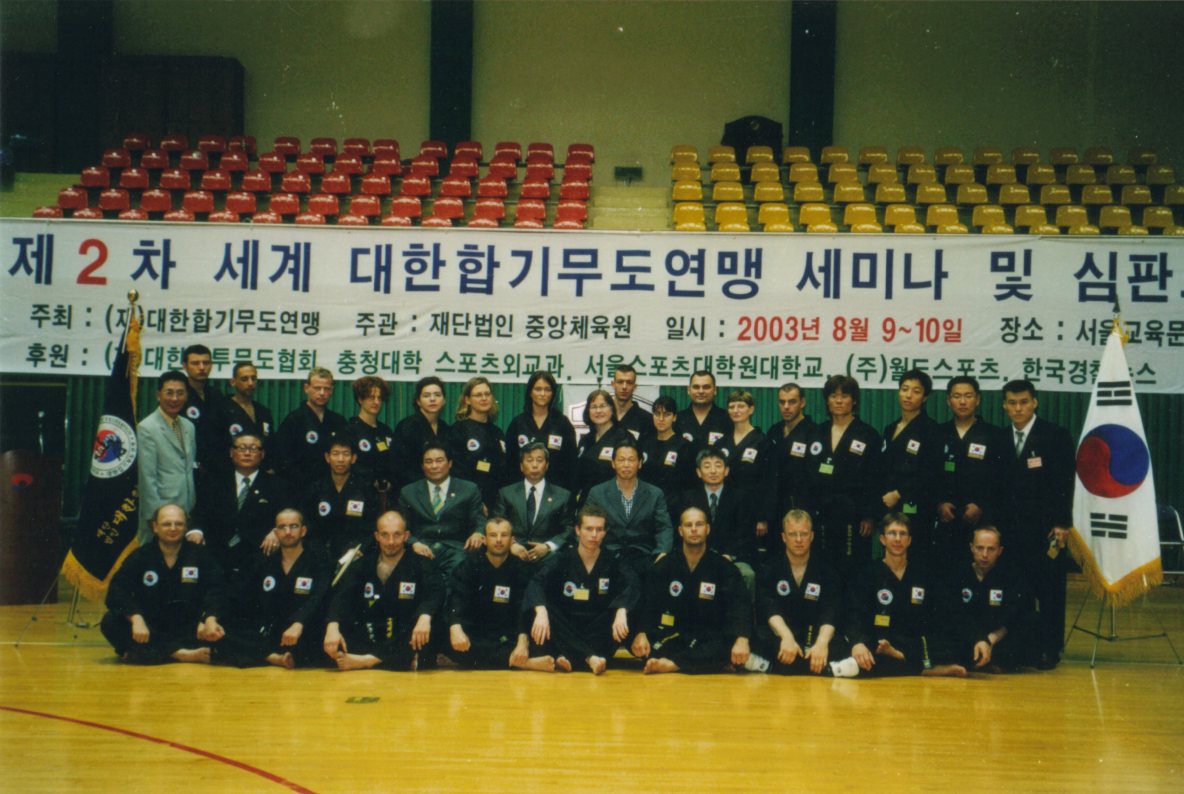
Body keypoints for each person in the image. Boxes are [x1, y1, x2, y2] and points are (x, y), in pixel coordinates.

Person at [999, 379, 1076, 670]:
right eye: (1012, 403)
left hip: (1046, 531)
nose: (1018, 408)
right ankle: (1024, 648)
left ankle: (1050, 649)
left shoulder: (1056, 435)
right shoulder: (1000, 438)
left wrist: (1062, 523)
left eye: (1024, 402)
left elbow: (1066, 483)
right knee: (1018, 591)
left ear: (1035, 403)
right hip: (1011, 531)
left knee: (1050, 591)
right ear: (1005, 406)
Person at [831, 513, 965, 678]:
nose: (897, 539)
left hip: (913, 643)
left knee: (956, 644)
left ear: (909, 540)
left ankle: (899, 657)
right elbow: (855, 613)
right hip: (881, 641)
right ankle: (922, 668)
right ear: (882, 539)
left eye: (902, 534)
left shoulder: (923, 574)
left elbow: (944, 613)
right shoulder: (867, 574)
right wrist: (858, 643)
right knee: (853, 648)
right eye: (892, 533)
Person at [630, 506, 753, 674]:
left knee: (728, 645)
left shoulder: (724, 568)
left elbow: (740, 605)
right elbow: (648, 603)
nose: (694, 529)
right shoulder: (664, 566)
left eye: (699, 524)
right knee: (642, 642)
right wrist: (641, 632)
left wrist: (742, 639)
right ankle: (696, 663)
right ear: (680, 531)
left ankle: (674, 664)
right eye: (688, 525)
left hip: (709, 637)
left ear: (707, 529)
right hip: (674, 635)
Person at [100, 504, 226, 664]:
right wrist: (136, 619)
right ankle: (180, 654)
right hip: (152, 627)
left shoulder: (200, 555)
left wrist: (210, 619)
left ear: (186, 526)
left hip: (190, 627)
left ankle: (149, 653)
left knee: (226, 626)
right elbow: (117, 591)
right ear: (155, 527)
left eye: (179, 524)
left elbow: (216, 589)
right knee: (110, 621)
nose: (173, 528)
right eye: (167, 524)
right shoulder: (141, 556)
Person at [523, 505, 640, 674]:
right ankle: (589, 658)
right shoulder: (562, 558)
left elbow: (632, 582)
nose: (594, 535)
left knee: (619, 613)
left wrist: (622, 610)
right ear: (577, 530)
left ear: (605, 532)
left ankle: (568, 657)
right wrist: (541, 611)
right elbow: (537, 582)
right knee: (545, 610)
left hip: (597, 630)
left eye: (599, 529)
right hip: (568, 625)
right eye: (589, 529)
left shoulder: (613, 560)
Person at [322, 510, 444, 671]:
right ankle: (395, 660)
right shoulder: (362, 564)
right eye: (385, 535)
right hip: (372, 633)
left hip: (405, 633)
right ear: (377, 536)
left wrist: (425, 617)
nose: (391, 542)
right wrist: (332, 626)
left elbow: (435, 593)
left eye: (397, 535)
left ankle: (370, 660)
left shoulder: (421, 563)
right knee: (333, 629)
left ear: (406, 536)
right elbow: (341, 596)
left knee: (428, 625)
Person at [218, 508, 330, 669]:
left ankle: (264, 654)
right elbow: (241, 593)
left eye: (293, 526)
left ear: (303, 531)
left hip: (303, 628)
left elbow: (320, 596)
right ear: (276, 533)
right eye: (282, 527)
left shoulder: (317, 561)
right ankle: (272, 657)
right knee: (223, 629)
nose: (288, 532)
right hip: (274, 631)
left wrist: (299, 622)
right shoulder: (266, 561)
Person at [445, 516, 547, 670]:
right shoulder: (470, 565)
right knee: (450, 639)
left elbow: (523, 609)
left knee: (539, 639)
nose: (498, 540)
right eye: (493, 535)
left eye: (504, 535)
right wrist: (456, 628)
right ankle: (523, 662)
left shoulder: (521, 569)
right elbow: (457, 598)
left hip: (509, 634)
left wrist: (522, 642)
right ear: (484, 540)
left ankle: (512, 658)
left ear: (512, 540)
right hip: (477, 633)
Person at [806, 374, 881, 577]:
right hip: (821, 512)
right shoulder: (817, 432)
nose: (838, 401)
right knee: (821, 568)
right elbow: (808, 475)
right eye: (833, 396)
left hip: (854, 514)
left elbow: (875, 479)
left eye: (844, 396)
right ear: (827, 401)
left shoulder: (867, 434)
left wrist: (869, 515)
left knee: (853, 570)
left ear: (854, 400)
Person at [934, 526, 1037, 673]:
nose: (984, 555)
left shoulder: (1011, 576)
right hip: (968, 636)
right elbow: (954, 614)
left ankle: (991, 661)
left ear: (1000, 551)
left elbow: (1013, 616)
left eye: (991, 549)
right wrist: (977, 638)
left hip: (996, 637)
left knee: (1030, 620)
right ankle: (978, 660)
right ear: (971, 548)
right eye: (980, 548)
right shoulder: (957, 574)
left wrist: (989, 640)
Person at [753, 509, 844, 675]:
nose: (799, 540)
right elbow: (769, 608)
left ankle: (773, 666)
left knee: (839, 646)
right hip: (781, 637)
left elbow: (831, 611)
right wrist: (787, 637)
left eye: (804, 534)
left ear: (812, 536)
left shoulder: (827, 571)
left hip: (814, 637)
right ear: (783, 537)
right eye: (793, 534)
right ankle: (823, 668)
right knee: (760, 639)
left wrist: (822, 643)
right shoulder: (769, 569)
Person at [188, 432, 290, 575]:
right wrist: (196, 531)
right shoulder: (214, 481)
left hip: (258, 556)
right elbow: (199, 512)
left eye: (253, 449)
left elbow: (287, 516)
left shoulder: (277, 485)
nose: (247, 453)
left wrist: (276, 531)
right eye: (242, 448)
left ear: (262, 454)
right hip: (217, 554)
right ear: (231, 452)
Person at [935, 376, 1008, 564]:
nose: (962, 401)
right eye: (956, 396)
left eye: (968, 396)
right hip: (945, 519)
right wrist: (939, 503)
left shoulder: (994, 435)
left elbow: (1001, 479)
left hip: (981, 519)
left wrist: (982, 505)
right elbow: (928, 475)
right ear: (948, 400)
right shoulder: (938, 433)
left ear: (978, 399)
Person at [878, 369, 943, 567]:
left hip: (916, 507)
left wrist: (899, 493)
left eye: (916, 391)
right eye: (904, 389)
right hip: (889, 507)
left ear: (925, 397)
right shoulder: (890, 428)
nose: (908, 395)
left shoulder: (931, 429)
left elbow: (930, 473)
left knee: (916, 562)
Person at [396, 443, 486, 582]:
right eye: (428, 461)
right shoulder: (408, 492)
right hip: (422, 548)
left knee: (460, 574)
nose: (434, 466)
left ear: (449, 463)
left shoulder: (469, 489)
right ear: (422, 466)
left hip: (457, 549)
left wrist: (478, 533)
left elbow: (479, 520)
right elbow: (402, 527)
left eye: (439, 460)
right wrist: (414, 543)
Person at [584, 439, 673, 577]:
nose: (626, 465)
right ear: (613, 463)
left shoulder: (655, 494)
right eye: (621, 460)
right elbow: (586, 526)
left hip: (643, 557)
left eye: (631, 460)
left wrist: (662, 553)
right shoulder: (597, 493)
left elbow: (664, 528)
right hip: (607, 557)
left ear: (640, 463)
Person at [672, 449, 756, 592]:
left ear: (726, 471)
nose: (713, 471)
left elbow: (745, 534)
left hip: (731, 556)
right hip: (696, 555)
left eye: (718, 465)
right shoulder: (686, 498)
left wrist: (728, 555)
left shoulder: (741, 497)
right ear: (699, 472)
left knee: (747, 574)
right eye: (707, 466)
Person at [137, 370, 198, 541]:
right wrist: (154, 517)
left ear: (186, 396)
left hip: (186, 509)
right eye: (169, 393)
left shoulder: (188, 426)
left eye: (180, 393)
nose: (174, 398)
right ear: (158, 395)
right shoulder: (147, 428)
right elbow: (147, 477)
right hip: (160, 512)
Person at [714, 389, 775, 551]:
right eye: (732, 407)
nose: (736, 410)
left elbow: (769, 482)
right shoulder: (721, 443)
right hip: (725, 508)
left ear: (751, 409)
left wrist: (763, 517)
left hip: (751, 510)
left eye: (741, 406)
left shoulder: (762, 441)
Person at [493, 441, 575, 563]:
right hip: (512, 555)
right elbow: (496, 524)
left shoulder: (562, 496)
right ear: (521, 466)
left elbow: (569, 529)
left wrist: (548, 546)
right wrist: (511, 544)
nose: (535, 465)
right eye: (529, 460)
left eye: (539, 460)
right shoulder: (506, 493)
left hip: (548, 558)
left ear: (546, 465)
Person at [303, 434, 380, 562]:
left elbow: (372, 524)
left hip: (355, 553)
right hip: (321, 553)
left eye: (346, 454)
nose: (340, 459)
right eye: (335, 454)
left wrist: (360, 549)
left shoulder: (364, 487)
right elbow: (308, 523)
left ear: (353, 458)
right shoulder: (316, 487)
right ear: (327, 457)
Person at [274, 367, 349, 492]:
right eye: (317, 388)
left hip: (331, 489)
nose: (322, 393)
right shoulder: (294, 420)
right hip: (299, 489)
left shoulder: (338, 421)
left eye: (326, 389)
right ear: (306, 388)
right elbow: (282, 461)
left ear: (332, 391)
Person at [504, 370, 578, 493]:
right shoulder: (518, 423)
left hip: (556, 492)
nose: (542, 394)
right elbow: (510, 463)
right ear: (530, 392)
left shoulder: (562, 423)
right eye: (538, 389)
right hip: (522, 492)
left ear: (553, 393)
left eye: (547, 389)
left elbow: (572, 464)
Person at [203, 361, 274, 480]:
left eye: (253, 378)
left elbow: (270, 445)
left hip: (258, 475)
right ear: (233, 382)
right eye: (244, 379)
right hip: (227, 475)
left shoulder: (263, 411)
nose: (250, 383)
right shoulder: (220, 409)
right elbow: (212, 448)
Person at [447, 376, 508, 510]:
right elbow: (457, 472)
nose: (484, 398)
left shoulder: (497, 432)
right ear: (467, 400)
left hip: (496, 502)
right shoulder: (459, 429)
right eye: (478, 395)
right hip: (468, 502)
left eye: (487, 394)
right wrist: (475, 501)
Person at [768, 382, 817, 541]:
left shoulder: (814, 432)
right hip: (776, 505)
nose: (786, 407)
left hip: (803, 505)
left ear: (802, 402)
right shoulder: (774, 431)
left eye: (792, 402)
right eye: (782, 402)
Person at [638, 394, 696, 517]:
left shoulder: (684, 446)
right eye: (657, 414)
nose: (661, 419)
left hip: (673, 510)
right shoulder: (644, 444)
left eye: (666, 414)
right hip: (646, 508)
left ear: (674, 417)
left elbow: (688, 485)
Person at [390, 375, 450, 493]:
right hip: (412, 491)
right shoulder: (407, 426)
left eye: (437, 395)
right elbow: (398, 466)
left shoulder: (445, 428)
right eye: (426, 395)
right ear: (418, 401)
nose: (432, 399)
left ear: (444, 401)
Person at [573, 388, 633, 502]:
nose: (598, 411)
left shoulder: (623, 437)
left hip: (613, 501)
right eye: (594, 407)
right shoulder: (585, 440)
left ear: (612, 409)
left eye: (603, 406)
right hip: (587, 502)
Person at [347, 375, 397, 504]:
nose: (376, 402)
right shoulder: (350, 429)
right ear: (360, 399)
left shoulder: (385, 431)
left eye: (379, 398)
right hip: (358, 494)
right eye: (371, 397)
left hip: (384, 497)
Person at [181, 343, 221, 479]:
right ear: (185, 366)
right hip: (187, 467)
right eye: (195, 363)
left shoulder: (216, 394)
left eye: (206, 363)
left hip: (215, 468)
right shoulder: (179, 395)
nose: (202, 367)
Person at [674, 370, 731, 452]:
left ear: (715, 390)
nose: (701, 391)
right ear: (689, 390)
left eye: (706, 387)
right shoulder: (677, 419)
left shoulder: (727, 418)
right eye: (696, 387)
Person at [610, 364, 653, 441]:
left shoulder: (647, 420)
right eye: (620, 382)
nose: (624, 387)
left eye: (629, 382)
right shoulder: (603, 415)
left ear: (634, 386)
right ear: (613, 384)